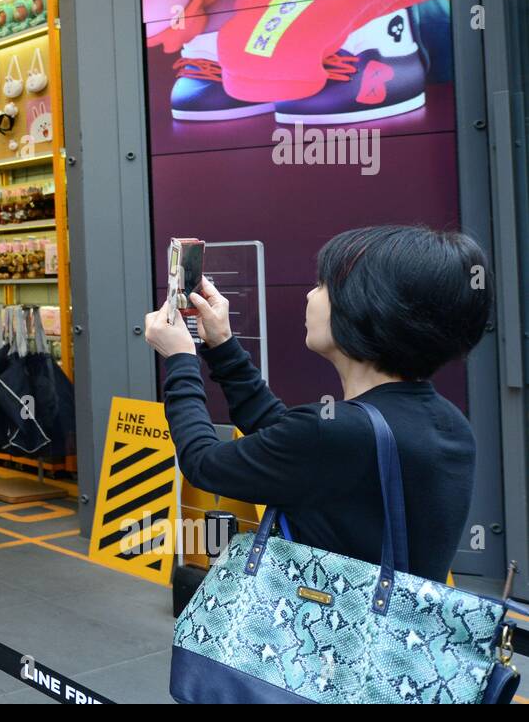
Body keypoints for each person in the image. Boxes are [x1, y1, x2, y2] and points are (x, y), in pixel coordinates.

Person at [143, 225, 491, 582]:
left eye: (324, 285)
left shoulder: (335, 434)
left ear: (367, 307)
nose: (310, 295)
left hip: (314, 634)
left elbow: (203, 464)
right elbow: (288, 437)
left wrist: (181, 359)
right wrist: (222, 345)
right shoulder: (448, 424)